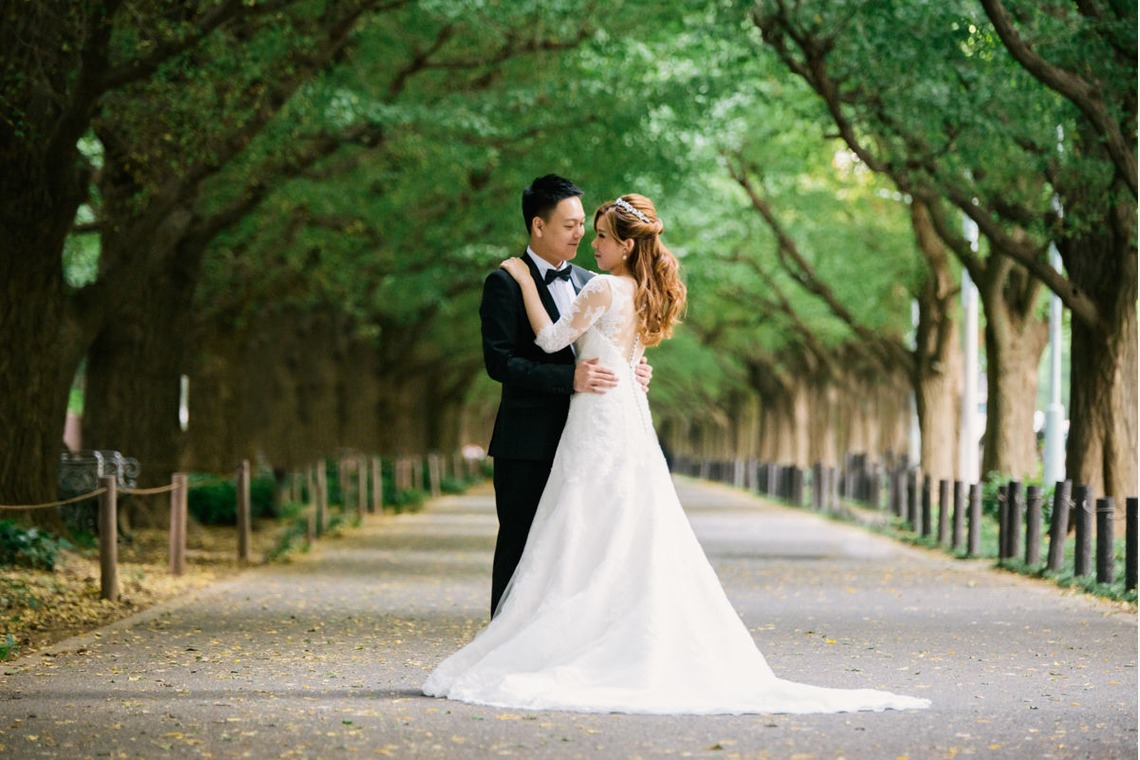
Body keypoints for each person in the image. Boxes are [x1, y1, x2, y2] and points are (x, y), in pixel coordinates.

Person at [424, 193, 931, 715]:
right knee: (611, 523)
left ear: (624, 243)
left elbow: (554, 340)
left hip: (599, 414)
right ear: (538, 224)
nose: (588, 241)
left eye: (597, 234)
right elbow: (544, 357)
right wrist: (627, 368)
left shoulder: (596, 284)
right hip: (616, 413)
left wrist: (531, 284)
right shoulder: (641, 289)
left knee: (584, 521)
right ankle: (568, 634)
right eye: (581, 229)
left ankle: (570, 641)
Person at [479, 174, 652, 618]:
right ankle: (503, 646)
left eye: (584, 226)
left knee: (577, 553)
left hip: (589, 438)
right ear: (538, 226)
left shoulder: (593, 280)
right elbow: (501, 364)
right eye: (570, 225)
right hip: (528, 442)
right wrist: (568, 380)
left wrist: (631, 371)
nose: (580, 234)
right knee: (521, 546)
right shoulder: (503, 283)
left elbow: (607, 342)